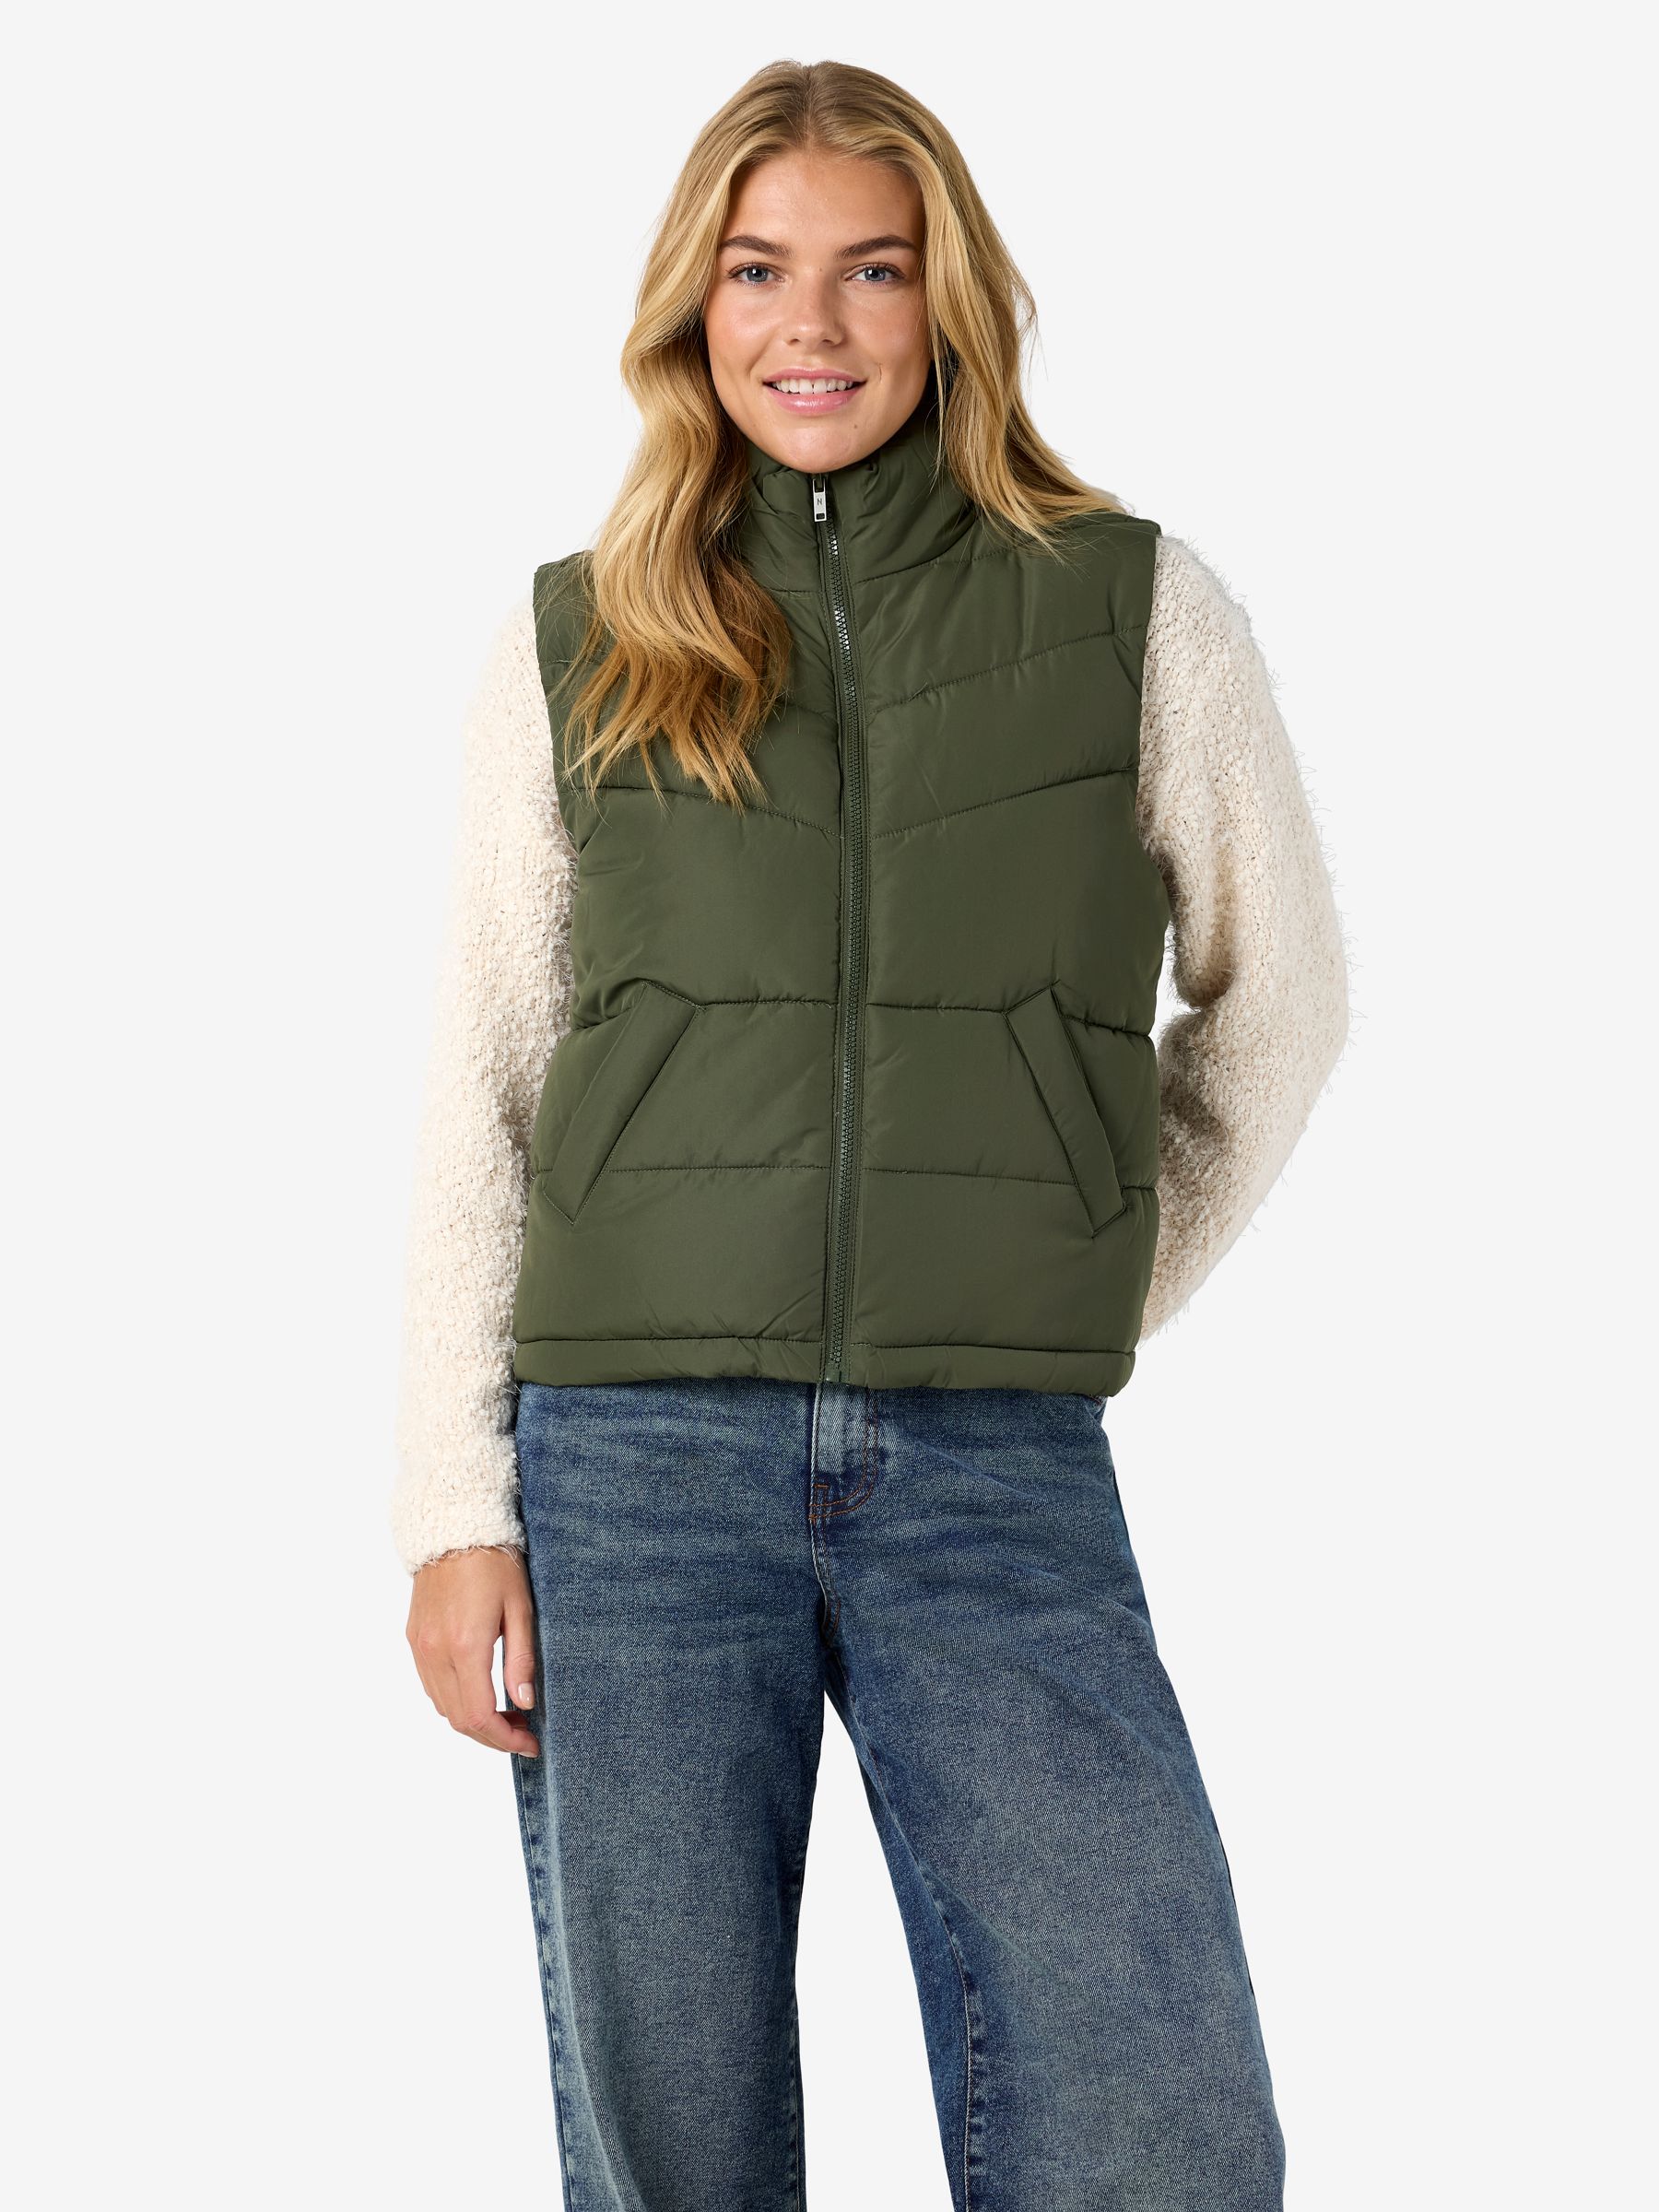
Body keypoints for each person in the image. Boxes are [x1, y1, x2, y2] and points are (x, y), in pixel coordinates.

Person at [392, 56, 1348, 2212]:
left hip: (989, 1465)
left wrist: (1080, 1267)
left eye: (871, 269)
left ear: (950, 301)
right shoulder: (583, 634)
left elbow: (1285, 1003)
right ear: (693, 305)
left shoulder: (1131, 611)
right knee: (675, 2140)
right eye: (757, 271)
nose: (808, 324)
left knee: (1158, 2121)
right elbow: (487, 1079)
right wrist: (452, 1503)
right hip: (630, 1471)